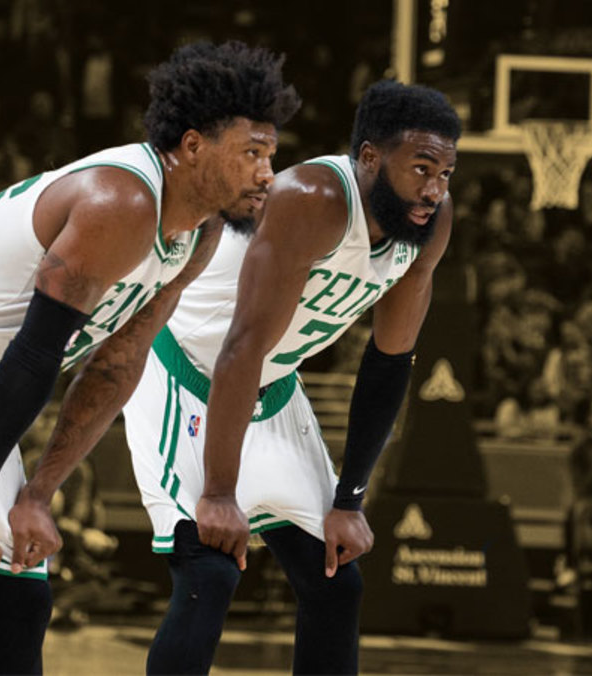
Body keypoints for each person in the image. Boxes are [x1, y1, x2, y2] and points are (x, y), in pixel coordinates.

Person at [0, 41, 299, 674]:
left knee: (22, 597)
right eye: (252, 154)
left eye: (271, 154)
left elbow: (116, 364)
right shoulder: (119, 203)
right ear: (192, 147)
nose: (268, 174)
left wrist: (38, 495)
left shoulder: (199, 234)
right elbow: (38, 352)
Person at [121, 79, 460, 673]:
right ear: (371, 159)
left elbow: (388, 362)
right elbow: (241, 346)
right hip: (188, 372)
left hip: (271, 388)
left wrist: (349, 500)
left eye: (446, 174)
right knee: (209, 570)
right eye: (422, 169)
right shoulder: (312, 198)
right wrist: (221, 494)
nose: (433, 191)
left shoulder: (427, 225)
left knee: (336, 580)